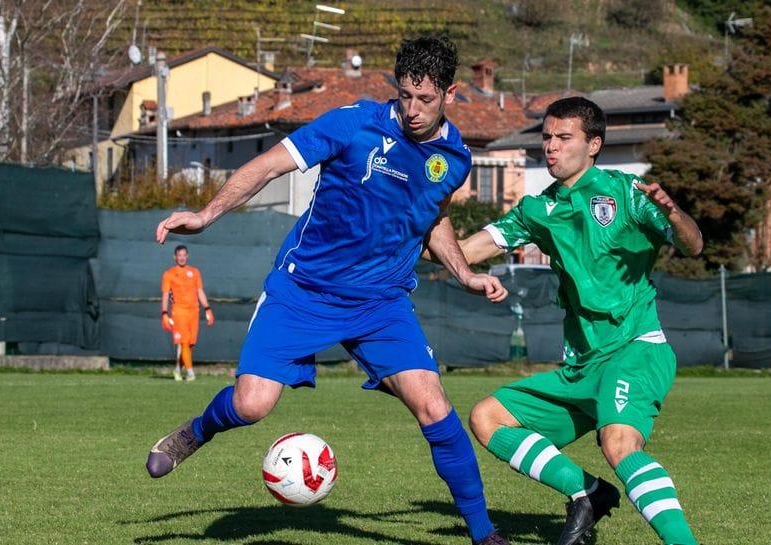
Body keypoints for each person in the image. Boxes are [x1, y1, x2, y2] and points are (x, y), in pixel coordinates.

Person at [146, 36, 510, 545]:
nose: (412, 109)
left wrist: (464, 273)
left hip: (381, 302)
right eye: (405, 95)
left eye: (425, 99)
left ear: (449, 93)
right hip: (304, 290)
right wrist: (207, 214)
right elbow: (269, 164)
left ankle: (483, 533)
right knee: (252, 406)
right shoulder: (353, 122)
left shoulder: (454, 158)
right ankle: (196, 431)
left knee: (434, 406)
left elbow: (434, 219)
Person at [446, 96, 703, 545]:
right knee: (488, 417)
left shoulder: (626, 193)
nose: (551, 147)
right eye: (547, 137)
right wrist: (412, 226)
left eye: (564, 138)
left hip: (634, 349)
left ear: (593, 145)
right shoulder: (536, 211)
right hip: (581, 367)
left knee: (619, 443)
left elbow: (694, 244)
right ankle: (587, 492)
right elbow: (462, 252)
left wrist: (674, 211)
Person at [160, 244, 214, 381]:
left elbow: (199, 291)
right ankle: (190, 373)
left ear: (187, 256)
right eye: (179, 255)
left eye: (184, 255)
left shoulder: (194, 272)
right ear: (175, 257)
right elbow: (166, 294)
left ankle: (178, 369)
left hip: (194, 312)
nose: (182, 258)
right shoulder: (169, 274)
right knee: (183, 342)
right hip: (179, 312)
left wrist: (207, 308)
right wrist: (164, 313)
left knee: (190, 344)